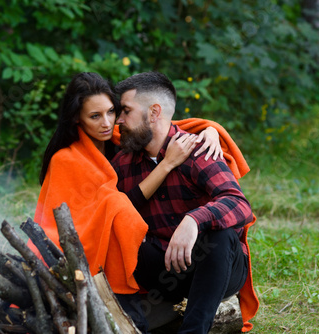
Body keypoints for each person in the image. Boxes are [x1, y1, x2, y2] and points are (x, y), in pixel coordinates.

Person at [27, 72, 223, 306]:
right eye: (95, 116)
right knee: (116, 205)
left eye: (112, 111)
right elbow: (110, 209)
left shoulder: (121, 137)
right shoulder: (66, 159)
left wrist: (211, 130)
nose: (107, 123)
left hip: (140, 250)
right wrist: (167, 164)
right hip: (86, 250)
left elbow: (170, 125)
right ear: (76, 118)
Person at [112, 72, 260, 333]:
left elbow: (239, 203)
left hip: (215, 267)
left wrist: (194, 219)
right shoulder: (123, 162)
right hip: (163, 271)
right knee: (114, 235)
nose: (118, 120)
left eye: (125, 111)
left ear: (154, 112)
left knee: (221, 235)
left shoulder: (199, 150)